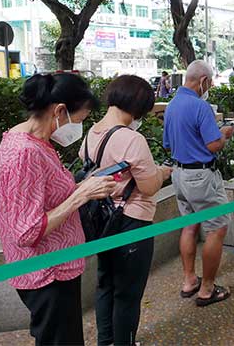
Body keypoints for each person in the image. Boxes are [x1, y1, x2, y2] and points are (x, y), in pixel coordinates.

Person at [0, 73, 117, 346]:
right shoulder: (25, 153)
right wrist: (80, 196)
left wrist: (83, 187)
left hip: (52, 269)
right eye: (80, 119)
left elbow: (41, 196)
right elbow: (27, 231)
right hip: (47, 274)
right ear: (59, 111)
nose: (79, 127)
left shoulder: (31, 141)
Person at [81, 75, 172, 346]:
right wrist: (162, 172)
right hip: (131, 221)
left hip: (102, 220)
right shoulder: (132, 139)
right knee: (128, 293)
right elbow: (149, 186)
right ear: (138, 107)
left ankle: (106, 341)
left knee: (106, 282)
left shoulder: (91, 133)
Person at [163, 60, 234, 307]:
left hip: (179, 174)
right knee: (217, 228)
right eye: (211, 82)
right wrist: (224, 134)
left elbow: (168, 144)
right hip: (201, 177)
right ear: (203, 80)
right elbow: (213, 145)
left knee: (189, 225)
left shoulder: (172, 105)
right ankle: (207, 289)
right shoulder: (200, 106)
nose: (211, 86)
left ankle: (189, 280)